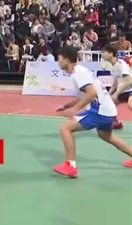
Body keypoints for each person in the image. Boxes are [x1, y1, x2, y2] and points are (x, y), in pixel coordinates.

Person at [53, 46, 132, 177]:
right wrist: (66, 106)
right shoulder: (79, 72)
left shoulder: (78, 73)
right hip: (108, 110)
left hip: (101, 110)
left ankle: (71, 166)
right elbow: (84, 95)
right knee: (106, 136)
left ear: (66, 60)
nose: (58, 61)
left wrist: (74, 110)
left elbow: (91, 93)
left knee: (65, 128)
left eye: (59, 58)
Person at [101, 43, 132, 130]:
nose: (103, 54)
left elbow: (129, 81)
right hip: (122, 90)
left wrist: (116, 93)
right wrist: (109, 93)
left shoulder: (121, 64)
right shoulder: (110, 65)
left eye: (104, 52)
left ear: (111, 54)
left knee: (130, 105)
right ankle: (117, 123)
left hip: (130, 88)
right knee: (108, 106)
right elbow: (116, 81)